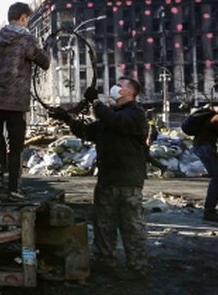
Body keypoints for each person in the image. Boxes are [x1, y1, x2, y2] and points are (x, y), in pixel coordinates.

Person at [51, 78, 149, 273]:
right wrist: (68, 119)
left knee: (131, 226)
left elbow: (115, 121)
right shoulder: (111, 115)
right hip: (107, 179)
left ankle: (137, 267)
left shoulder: (136, 113)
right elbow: (87, 132)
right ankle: (105, 262)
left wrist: (96, 102)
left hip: (127, 179)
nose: (115, 87)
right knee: (104, 224)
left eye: (120, 85)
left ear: (131, 92)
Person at [0, 2, 50, 198]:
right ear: (23, 18)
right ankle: (13, 189)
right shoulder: (26, 39)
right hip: (15, 100)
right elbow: (44, 62)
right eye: (27, 19)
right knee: (16, 146)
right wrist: (44, 47)